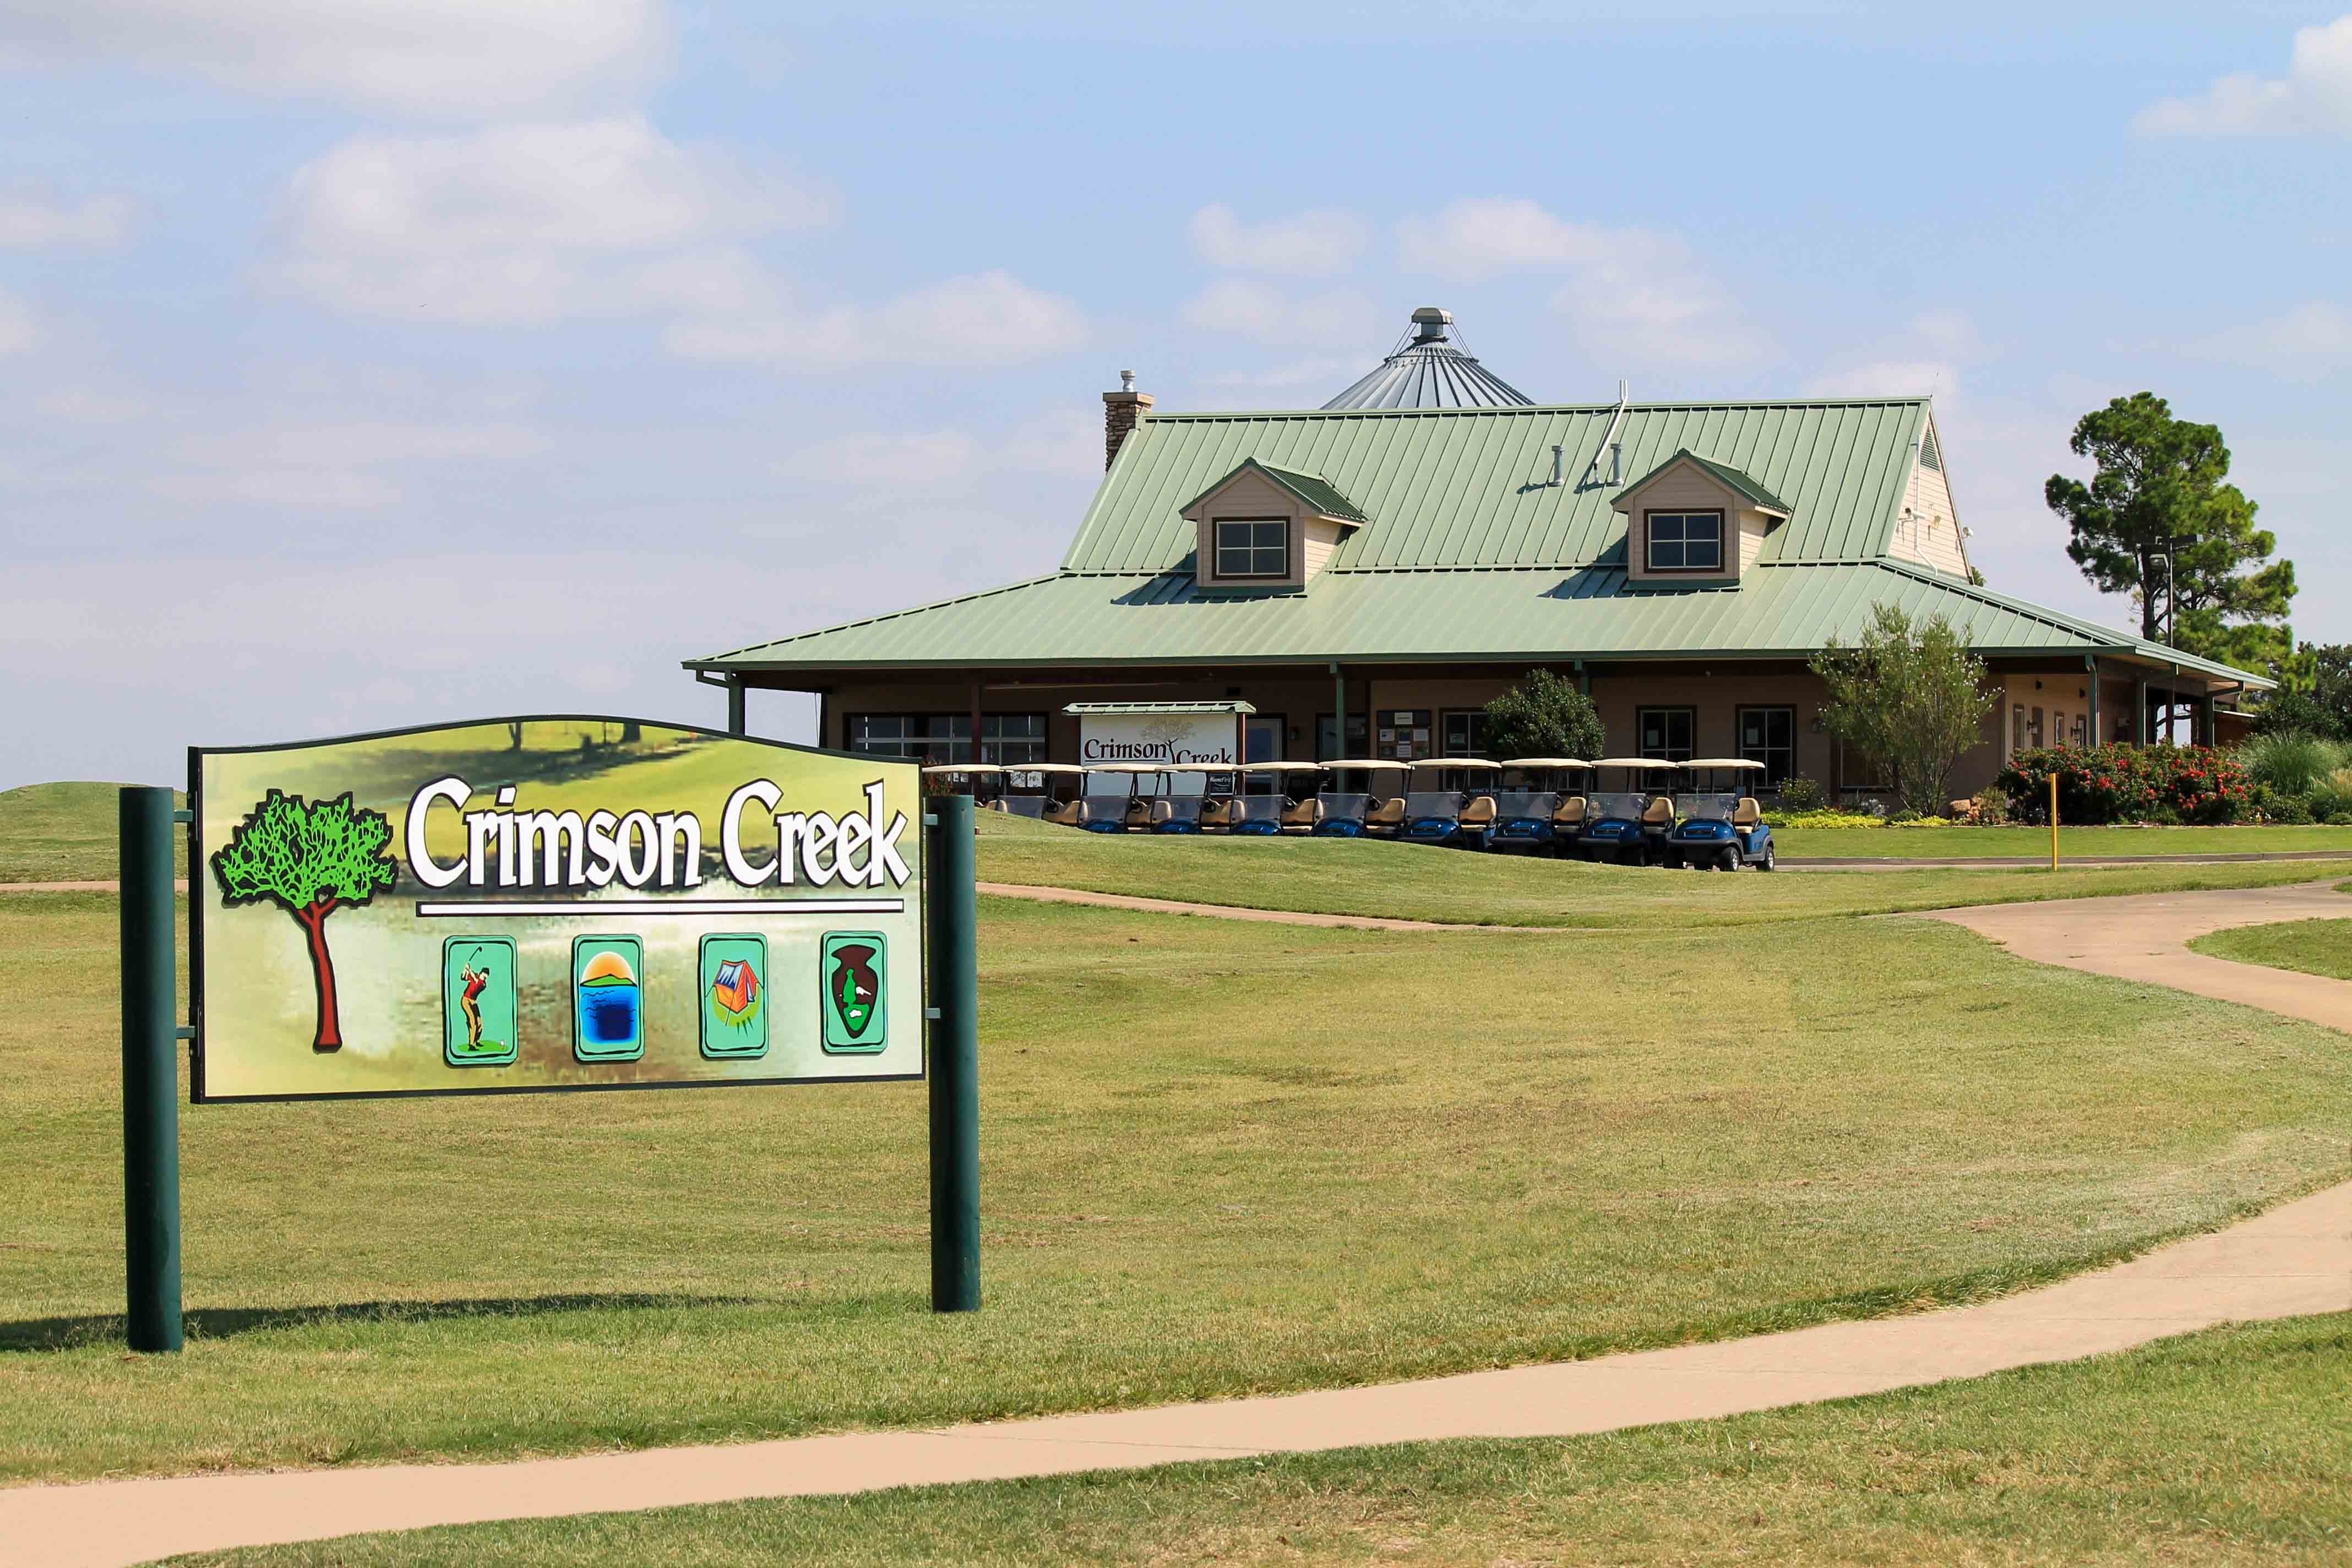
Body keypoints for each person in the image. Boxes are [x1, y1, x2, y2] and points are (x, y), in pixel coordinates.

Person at [459, 958, 489, 1049]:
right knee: (473, 1021)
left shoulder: (483, 984)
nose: (486, 977)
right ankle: (471, 1044)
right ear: (482, 973)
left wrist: (469, 969)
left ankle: (477, 1041)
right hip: (466, 1001)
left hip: (474, 1003)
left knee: (480, 1024)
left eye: (487, 976)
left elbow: (476, 981)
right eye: (486, 975)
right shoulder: (475, 975)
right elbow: (463, 977)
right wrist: (465, 970)